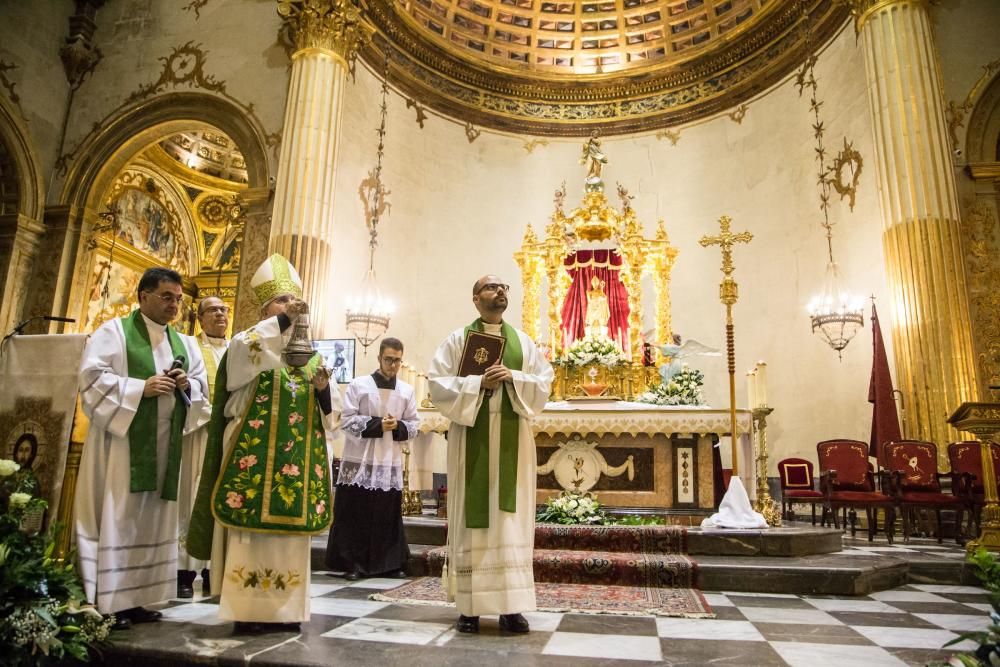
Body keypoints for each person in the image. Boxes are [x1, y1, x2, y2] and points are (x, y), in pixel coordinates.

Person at [187, 254, 341, 632]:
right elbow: (239, 364)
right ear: (265, 308)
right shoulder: (248, 342)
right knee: (250, 536)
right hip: (251, 459)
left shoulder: (311, 356)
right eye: (281, 301)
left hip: (295, 465)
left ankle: (286, 612)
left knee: (289, 539)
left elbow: (331, 417)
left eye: (293, 301)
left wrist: (322, 390)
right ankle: (248, 610)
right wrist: (285, 321)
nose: (290, 307)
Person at [76, 267, 209, 630]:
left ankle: (138, 599)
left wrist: (187, 385)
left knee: (151, 520)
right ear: (143, 296)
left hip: (165, 449)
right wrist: (139, 388)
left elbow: (201, 392)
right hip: (122, 447)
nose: (174, 306)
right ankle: (109, 601)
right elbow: (90, 379)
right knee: (118, 516)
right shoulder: (114, 333)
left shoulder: (185, 343)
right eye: (167, 297)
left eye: (179, 299)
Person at [428, 275, 553, 635]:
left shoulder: (524, 343)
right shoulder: (457, 340)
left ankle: (511, 607)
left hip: (513, 439)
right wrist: (476, 383)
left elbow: (544, 382)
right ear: (475, 298)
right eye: (490, 287)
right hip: (473, 436)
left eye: (503, 288)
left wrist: (513, 376)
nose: (499, 291)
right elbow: (437, 383)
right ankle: (469, 607)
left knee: (509, 519)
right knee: (473, 518)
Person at [325, 337, 418, 580]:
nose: (393, 365)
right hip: (360, 460)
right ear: (379, 358)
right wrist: (378, 425)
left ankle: (387, 564)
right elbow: (346, 419)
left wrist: (398, 426)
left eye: (397, 360)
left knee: (387, 514)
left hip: (388, 461)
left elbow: (414, 424)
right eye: (388, 359)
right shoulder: (359, 384)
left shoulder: (406, 390)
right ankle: (352, 563)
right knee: (356, 512)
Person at [176, 296, 230, 598]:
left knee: (219, 496)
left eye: (224, 310)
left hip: (226, 436)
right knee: (191, 498)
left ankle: (213, 568)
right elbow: (188, 386)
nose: (220, 314)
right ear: (200, 317)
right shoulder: (189, 346)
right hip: (198, 432)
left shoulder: (239, 348)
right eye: (213, 310)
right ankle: (184, 571)